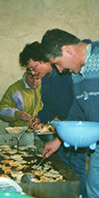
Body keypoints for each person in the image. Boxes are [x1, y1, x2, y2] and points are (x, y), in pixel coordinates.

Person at [40, 28, 99, 198]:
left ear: (67, 50)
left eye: (58, 62)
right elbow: (77, 113)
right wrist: (58, 140)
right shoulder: (78, 74)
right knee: (93, 190)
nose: (59, 70)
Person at [19, 41, 73, 128]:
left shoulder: (65, 74)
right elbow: (50, 107)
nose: (33, 73)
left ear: (43, 60)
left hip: (77, 123)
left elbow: (78, 104)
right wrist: (40, 118)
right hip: (66, 123)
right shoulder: (45, 78)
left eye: (34, 68)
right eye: (30, 70)